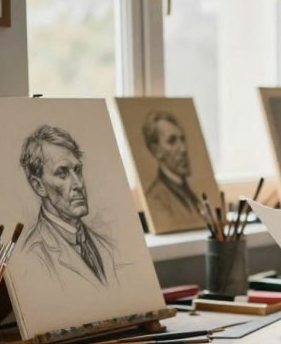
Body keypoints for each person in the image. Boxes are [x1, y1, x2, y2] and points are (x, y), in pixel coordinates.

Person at [20, 125, 117, 288]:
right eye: (62, 173)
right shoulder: (34, 256)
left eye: (78, 170)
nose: (78, 184)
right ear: (38, 186)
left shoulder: (105, 246)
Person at [141, 110, 203, 226]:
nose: (183, 149)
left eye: (182, 139)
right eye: (172, 141)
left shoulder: (190, 193)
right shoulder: (155, 200)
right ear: (156, 150)